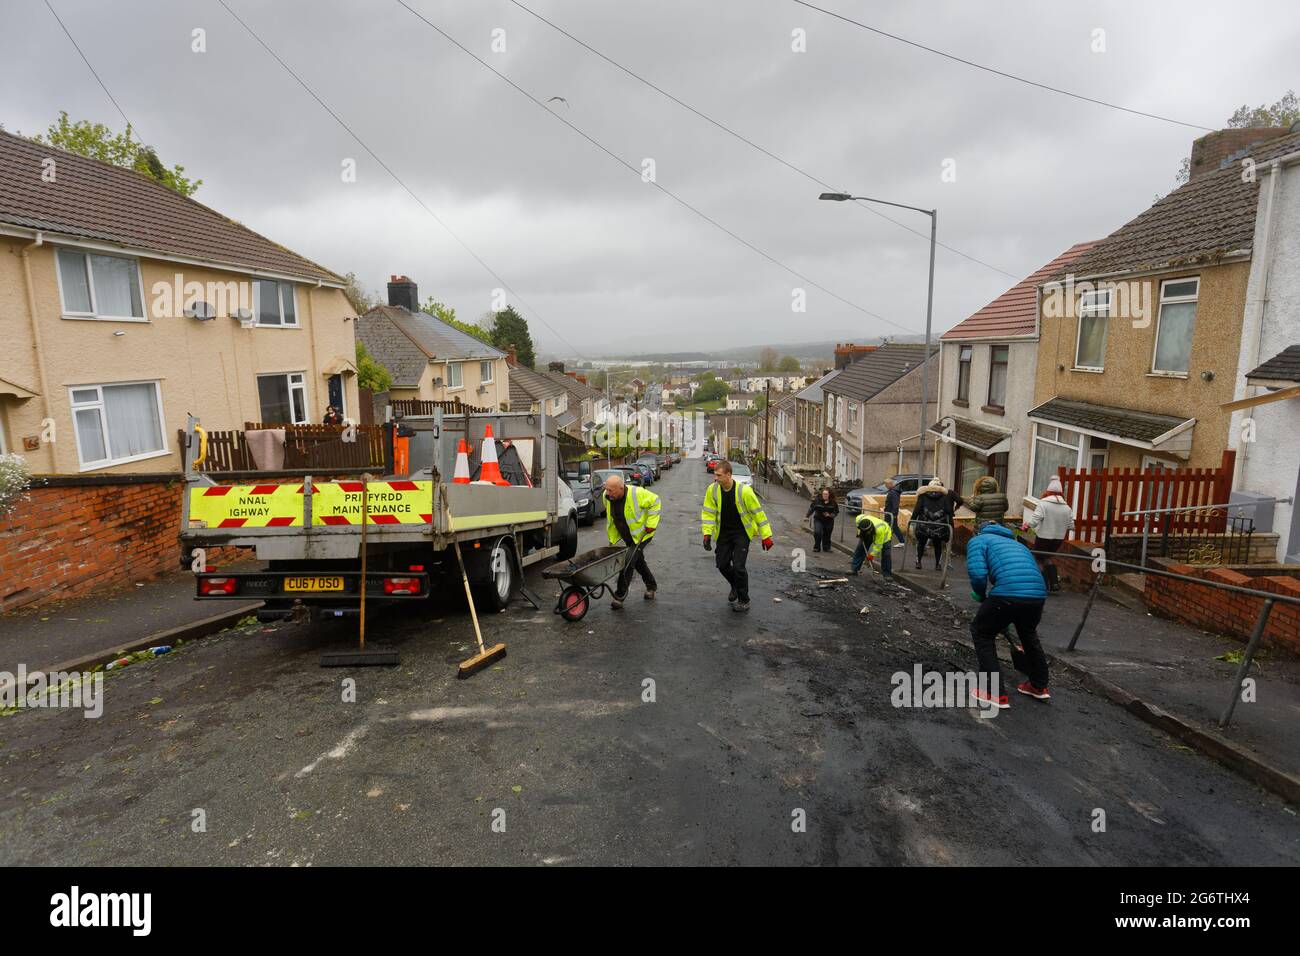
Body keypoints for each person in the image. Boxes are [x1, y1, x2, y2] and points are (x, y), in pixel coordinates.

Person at [966, 521, 1051, 708]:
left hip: (1008, 593)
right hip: (1037, 595)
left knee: (982, 633)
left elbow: (978, 573)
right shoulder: (1019, 544)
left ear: (978, 530)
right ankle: (1038, 686)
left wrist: (980, 594)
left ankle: (992, 692)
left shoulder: (980, 540)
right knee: (1028, 634)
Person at [701, 459, 773, 612]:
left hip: (741, 533)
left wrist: (766, 536)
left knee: (739, 566)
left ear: (729, 475)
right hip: (724, 533)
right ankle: (734, 584)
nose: (716, 478)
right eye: (715, 475)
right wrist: (707, 534)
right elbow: (708, 513)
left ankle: (743, 599)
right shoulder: (712, 490)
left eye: (719, 475)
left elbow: (759, 514)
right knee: (722, 565)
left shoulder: (744, 491)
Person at [602, 473, 660, 609]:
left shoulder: (637, 493)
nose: (608, 493)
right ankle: (651, 586)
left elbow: (655, 501)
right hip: (627, 535)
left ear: (621, 488)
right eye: (607, 489)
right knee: (638, 561)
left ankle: (619, 596)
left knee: (628, 561)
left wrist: (651, 523)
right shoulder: (607, 497)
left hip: (642, 534)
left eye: (611, 490)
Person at [1022, 476, 1074, 593]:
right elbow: (1071, 526)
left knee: (1038, 558)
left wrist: (1026, 526)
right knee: (1047, 557)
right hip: (1058, 540)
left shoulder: (1043, 504)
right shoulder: (1067, 508)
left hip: (1044, 538)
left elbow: (1035, 520)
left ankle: (1043, 585)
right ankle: (1054, 583)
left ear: (1048, 491)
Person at [912, 478, 961, 571]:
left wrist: (912, 520)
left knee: (921, 544)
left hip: (924, 525)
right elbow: (948, 510)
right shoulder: (944, 497)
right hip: (938, 527)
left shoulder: (922, 496)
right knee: (937, 545)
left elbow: (917, 509)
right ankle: (937, 564)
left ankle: (918, 562)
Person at [852, 511, 893, 579]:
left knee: (886, 554)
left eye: (867, 532)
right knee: (860, 548)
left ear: (870, 529)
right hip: (867, 532)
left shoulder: (879, 530)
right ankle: (854, 569)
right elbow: (858, 527)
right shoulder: (859, 518)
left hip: (885, 535)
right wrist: (860, 534)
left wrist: (871, 555)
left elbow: (878, 545)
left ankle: (887, 574)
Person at [806, 488, 839, 552]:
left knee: (827, 534)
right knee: (817, 532)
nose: (824, 495)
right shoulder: (817, 500)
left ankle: (826, 547)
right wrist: (807, 516)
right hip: (818, 519)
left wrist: (830, 515)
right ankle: (817, 547)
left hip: (829, 520)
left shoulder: (833, 502)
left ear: (829, 495)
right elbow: (811, 508)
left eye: (826, 494)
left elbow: (836, 511)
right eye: (823, 494)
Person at [881, 478, 905, 549]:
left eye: (886, 484)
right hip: (890, 512)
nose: (885, 486)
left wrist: (894, 514)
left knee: (892, 527)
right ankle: (899, 541)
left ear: (890, 484)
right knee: (891, 527)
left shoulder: (893, 492)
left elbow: (895, 504)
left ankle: (901, 542)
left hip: (890, 513)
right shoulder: (893, 491)